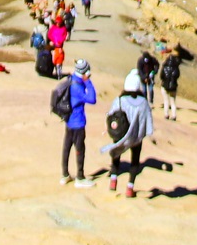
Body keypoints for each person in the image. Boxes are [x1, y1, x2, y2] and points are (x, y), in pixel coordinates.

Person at [101, 69, 154, 197]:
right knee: (135, 161)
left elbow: (111, 115)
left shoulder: (120, 100)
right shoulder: (144, 103)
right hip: (136, 138)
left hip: (120, 135)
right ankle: (130, 187)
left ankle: (113, 179)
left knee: (116, 155)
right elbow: (148, 122)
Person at [60, 59, 97, 187]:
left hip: (69, 121)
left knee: (66, 148)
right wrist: (88, 81)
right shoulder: (78, 86)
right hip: (77, 122)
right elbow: (92, 99)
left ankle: (65, 175)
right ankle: (80, 178)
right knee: (80, 149)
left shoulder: (71, 79)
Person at [160, 50, 180, 120]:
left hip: (165, 86)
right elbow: (177, 76)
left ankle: (166, 114)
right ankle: (174, 115)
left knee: (166, 101)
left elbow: (161, 76)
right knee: (173, 102)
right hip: (173, 87)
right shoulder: (176, 68)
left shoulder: (164, 67)